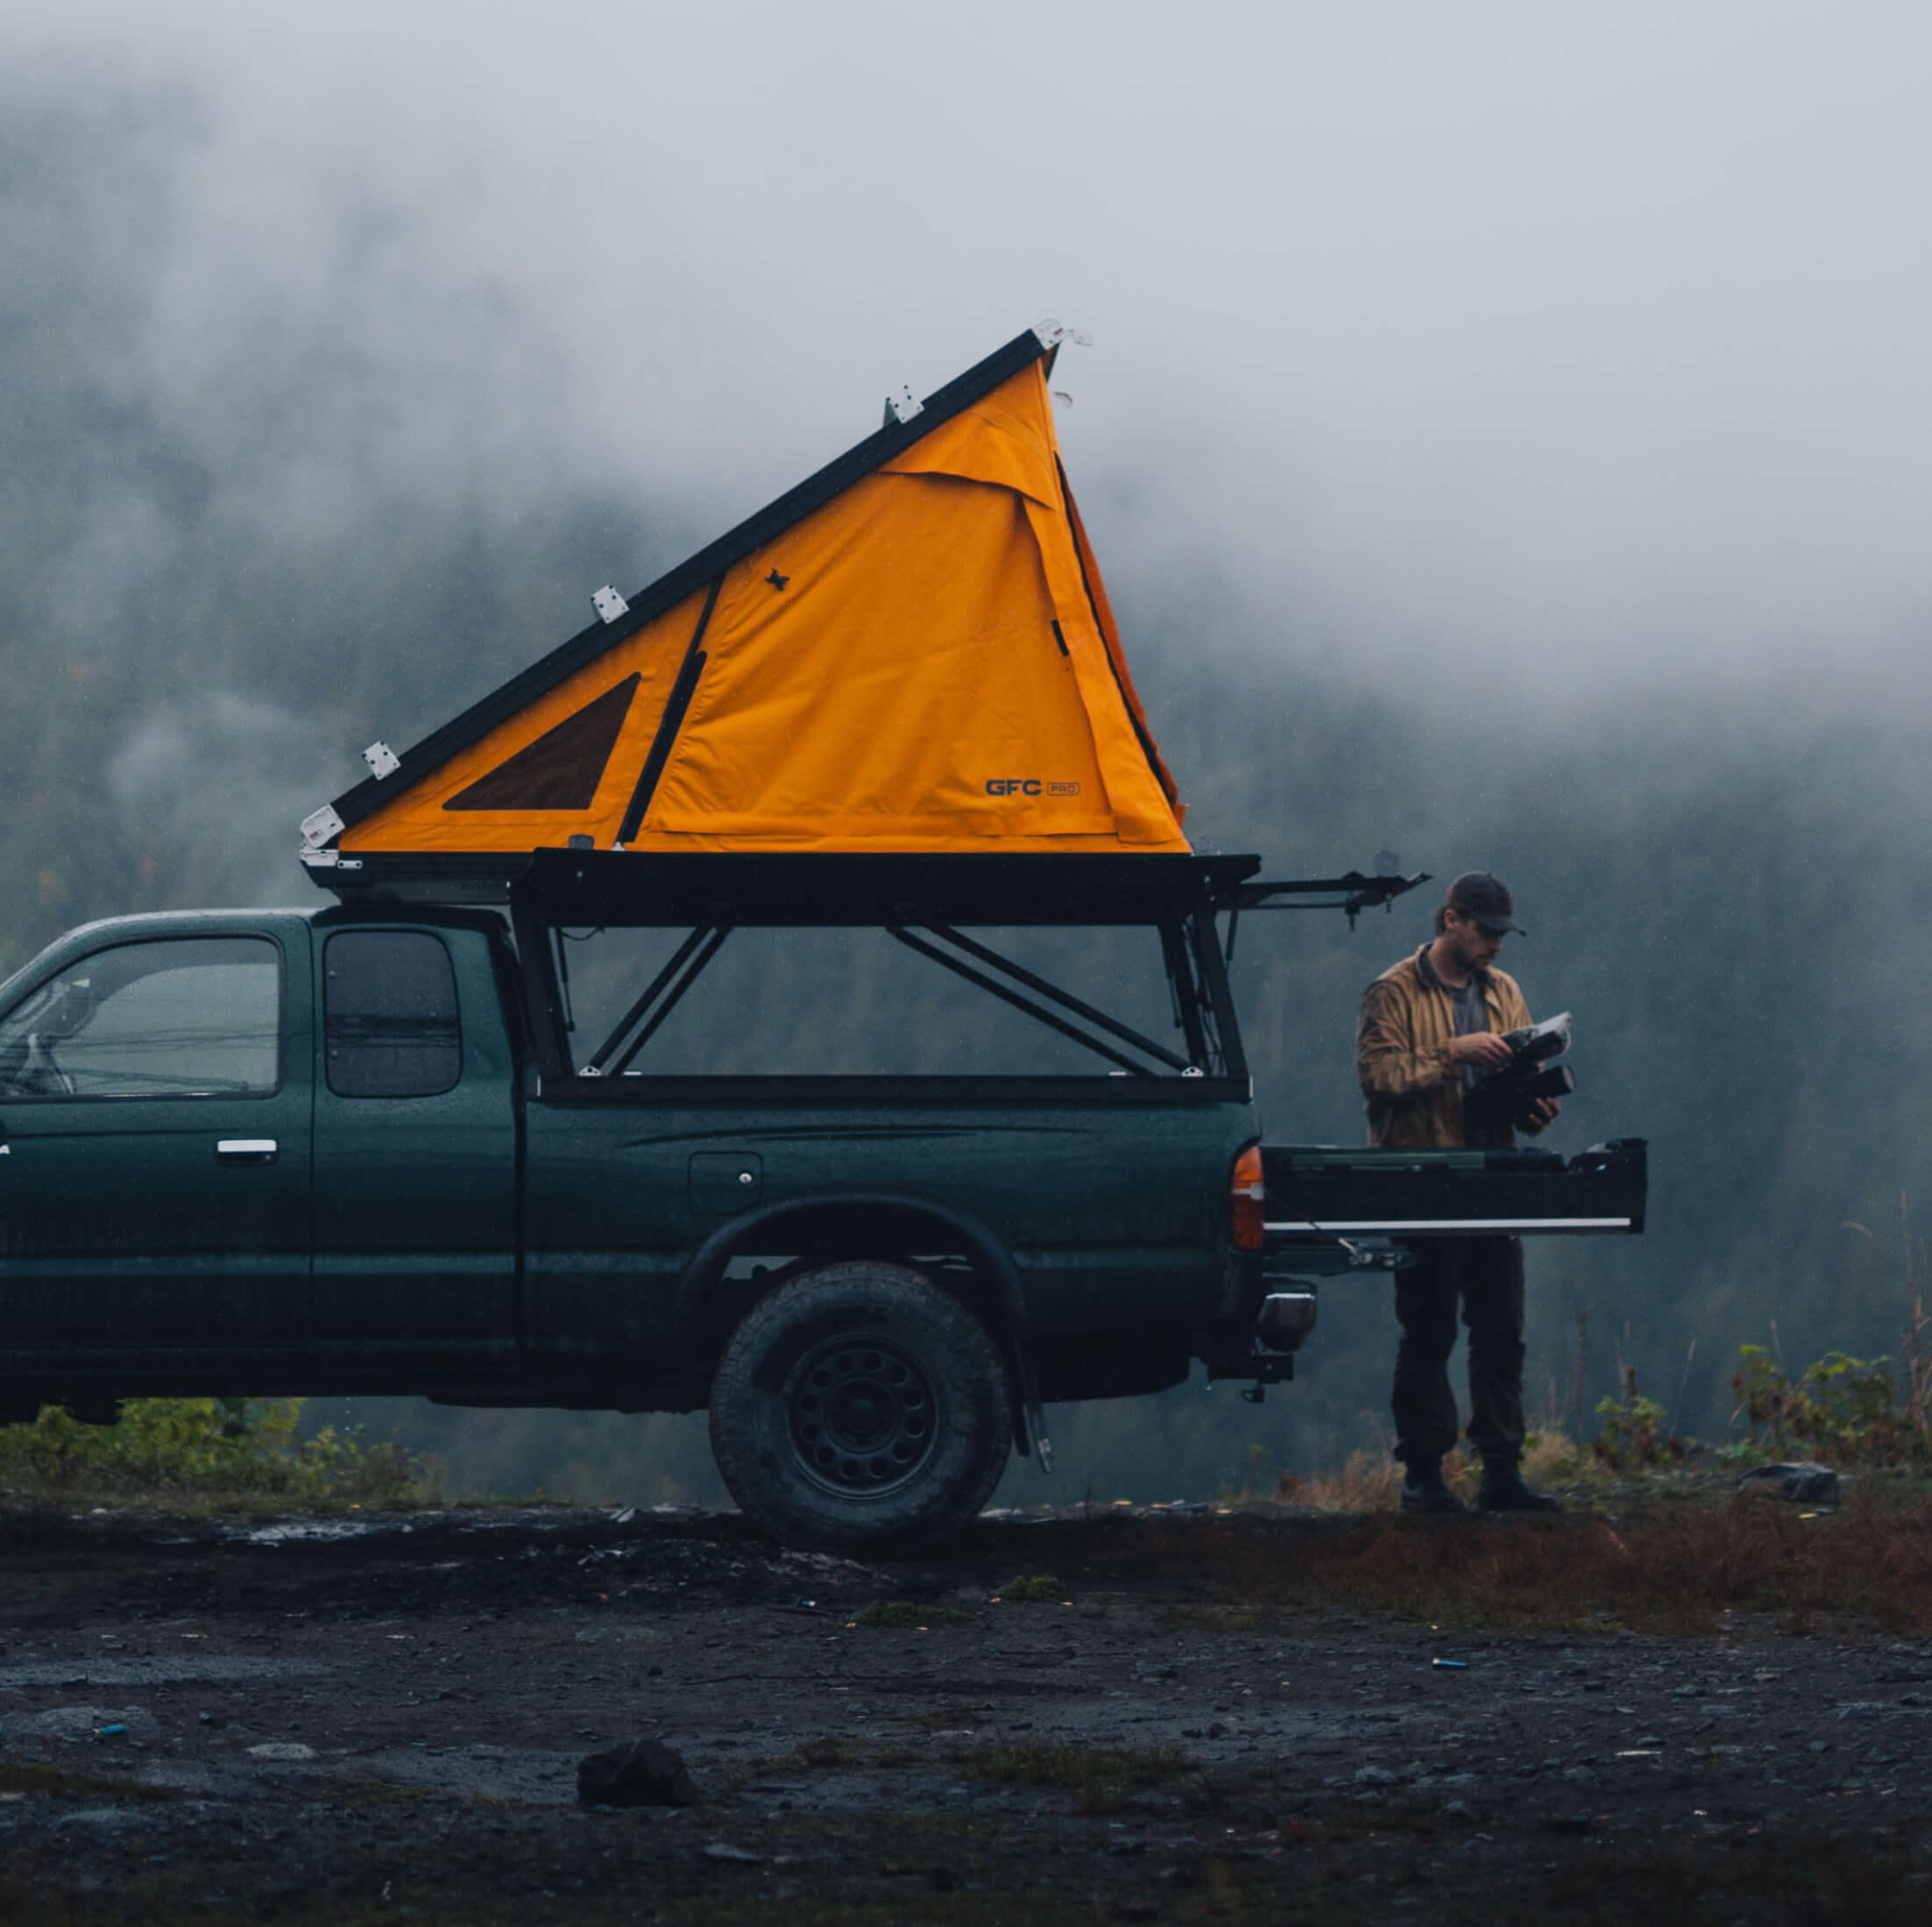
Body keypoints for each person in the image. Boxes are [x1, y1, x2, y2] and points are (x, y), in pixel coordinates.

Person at [1355, 872, 1563, 1514]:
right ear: (1452, 920)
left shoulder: (1505, 992)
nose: (1498, 945)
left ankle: (1500, 1469)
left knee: (1501, 1327)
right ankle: (1424, 1474)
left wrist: (1533, 1106)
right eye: (1487, 930)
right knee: (1429, 1329)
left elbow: (1517, 1072)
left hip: (1493, 1178)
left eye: (1503, 933)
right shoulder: (1391, 990)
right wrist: (1453, 1052)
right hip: (1422, 1183)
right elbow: (1377, 1076)